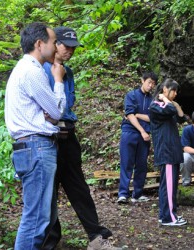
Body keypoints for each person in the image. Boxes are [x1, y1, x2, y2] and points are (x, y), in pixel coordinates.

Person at [41, 26, 119, 250]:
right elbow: (49, 108)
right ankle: (51, 241)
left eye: (73, 48)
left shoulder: (69, 72)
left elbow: (68, 102)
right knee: (49, 191)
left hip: (69, 135)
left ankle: (96, 236)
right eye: (66, 46)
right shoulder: (41, 70)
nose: (70, 51)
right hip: (49, 138)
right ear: (54, 44)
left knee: (79, 187)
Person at [4, 22, 66, 249]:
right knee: (36, 219)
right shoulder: (32, 71)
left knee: (38, 216)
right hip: (37, 147)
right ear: (40, 44)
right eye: (53, 42)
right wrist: (58, 80)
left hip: (30, 148)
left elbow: (50, 113)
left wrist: (49, 113)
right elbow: (57, 110)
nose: (57, 46)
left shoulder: (22, 69)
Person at [149, 78, 187, 226]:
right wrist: (166, 99)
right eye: (174, 90)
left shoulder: (167, 104)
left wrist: (174, 103)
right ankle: (169, 218)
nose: (175, 93)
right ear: (165, 89)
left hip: (172, 151)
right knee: (168, 186)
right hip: (166, 152)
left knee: (170, 185)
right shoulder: (156, 105)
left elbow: (181, 118)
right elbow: (170, 110)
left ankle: (166, 214)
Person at [118, 72, 157, 204]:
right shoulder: (132, 95)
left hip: (145, 134)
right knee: (126, 163)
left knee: (141, 164)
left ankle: (137, 194)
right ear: (143, 80)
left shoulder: (153, 100)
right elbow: (129, 114)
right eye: (149, 82)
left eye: (153, 84)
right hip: (130, 131)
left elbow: (152, 118)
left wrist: (137, 115)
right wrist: (141, 130)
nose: (150, 85)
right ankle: (123, 194)